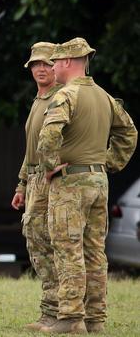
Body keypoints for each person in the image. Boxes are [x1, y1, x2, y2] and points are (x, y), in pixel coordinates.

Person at [37, 37, 137, 334]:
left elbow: (48, 137)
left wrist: (49, 165)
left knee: (68, 249)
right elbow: (128, 132)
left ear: (68, 62)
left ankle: (70, 318)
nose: (52, 67)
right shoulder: (105, 97)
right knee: (95, 251)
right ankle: (96, 319)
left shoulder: (65, 95)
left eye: (55, 62)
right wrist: (110, 163)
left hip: (71, 185)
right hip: (99, 182)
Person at [10, 41, 62, 331]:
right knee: (36, 243)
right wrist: (21, 185)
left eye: (46, 64)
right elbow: (31, 149)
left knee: (49, 246)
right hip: (33, 183)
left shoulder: (61, 99)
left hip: (50, 182)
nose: (40, 69)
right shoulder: (38, 99)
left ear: (56, 67)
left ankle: (56, 312)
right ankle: (49, 311)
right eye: (35, 64)